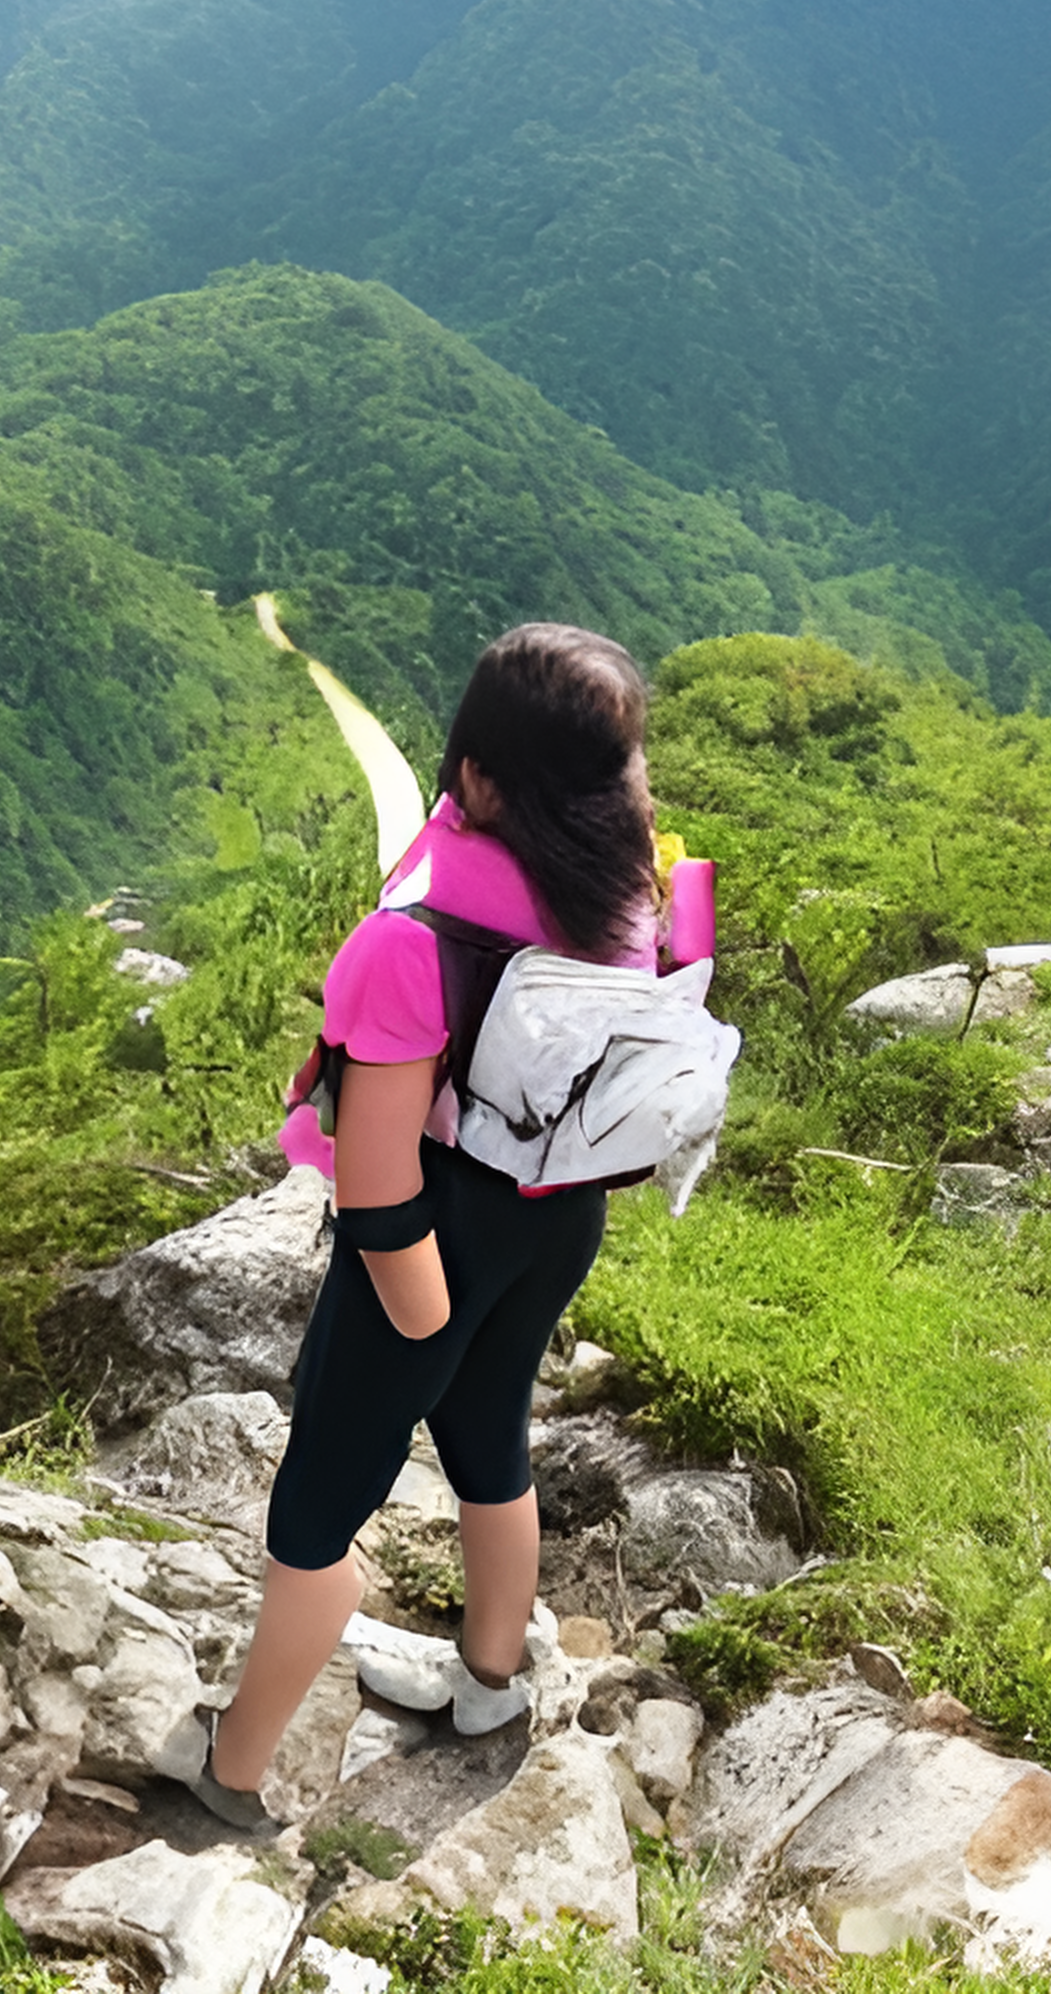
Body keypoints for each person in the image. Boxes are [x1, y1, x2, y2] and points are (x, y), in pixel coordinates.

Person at [193, 621, 666, 1827]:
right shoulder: (624, 902)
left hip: (430, 1230)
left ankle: (229, 1769)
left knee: (314, 1508)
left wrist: (407, 1296)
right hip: (555, 1221)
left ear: (476, 777)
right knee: (487, 1431)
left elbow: (378, 1165)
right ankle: (488, 1685)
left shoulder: (413, 944)